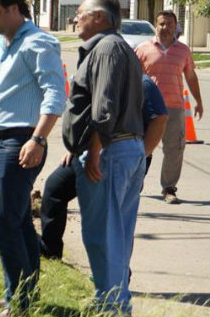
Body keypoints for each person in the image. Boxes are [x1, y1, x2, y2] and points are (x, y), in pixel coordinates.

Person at [0, 0, 66, 317]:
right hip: (0, 142)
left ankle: (19, 306)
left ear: (14, 9)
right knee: (20, 221)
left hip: (20, 143)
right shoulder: (4, 44)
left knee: (1, 225)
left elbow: (55, 95)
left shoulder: (38, 42)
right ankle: (22, 293)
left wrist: (38, 140)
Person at [62, 0, 145, 317]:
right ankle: (117, 308)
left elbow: (104, 106)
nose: (75, 20)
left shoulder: (107, 49)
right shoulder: (118, 48)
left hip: (110, 152)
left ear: (99, 17)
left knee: (102, 236)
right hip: (125, 149)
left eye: (80, 14)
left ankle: (110, 312)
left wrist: (95, 149)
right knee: (118, 237)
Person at [39, 75, 168, 260]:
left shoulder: (142, 83)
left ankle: (119, 276)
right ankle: (50, 252)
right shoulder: (101, 77)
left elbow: (160, 118)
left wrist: (142, 155)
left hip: (125, 158)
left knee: (114, 217)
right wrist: (76, 148)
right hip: (88, 153)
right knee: (55, 187)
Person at [134, 10, 203, 204]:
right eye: (162, 24)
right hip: (147, 109)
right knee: (142, 147)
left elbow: (190, 76)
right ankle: (135, 182)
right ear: (156, 26)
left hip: (174, 107)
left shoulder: (183, 50)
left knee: (175, 149)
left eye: (169, 24)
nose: (165, 28)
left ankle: (169, 188)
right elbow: (133, 78)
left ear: (175, 27)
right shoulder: (142, 49)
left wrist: (199, 101)